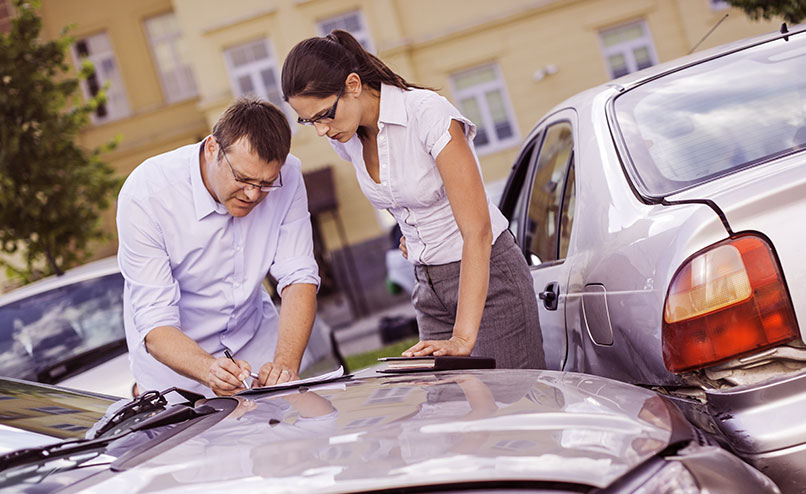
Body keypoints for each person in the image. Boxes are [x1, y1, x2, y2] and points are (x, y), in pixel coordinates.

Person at [281, 30, 544, 369]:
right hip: (428, 287)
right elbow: (408, 197)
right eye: (308, 121)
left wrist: (463, 337)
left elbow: (477, 231)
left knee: (512, 411)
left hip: (489, 281)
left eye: (324, 114)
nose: (321, 130)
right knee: (451, 414)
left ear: (353, 85)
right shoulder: (346, 138)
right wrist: (416, 235)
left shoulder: (427, 114)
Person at [116, 97, 320, 396]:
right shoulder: (147, 194)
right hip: (177, 369)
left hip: (255, 343)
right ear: (212, 148)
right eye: (243, 178)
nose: (252, 194)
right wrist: (209, 369)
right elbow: (155, 324)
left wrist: (284, 365)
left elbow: (299, 276)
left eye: (265, 184)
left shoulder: (288, 175)